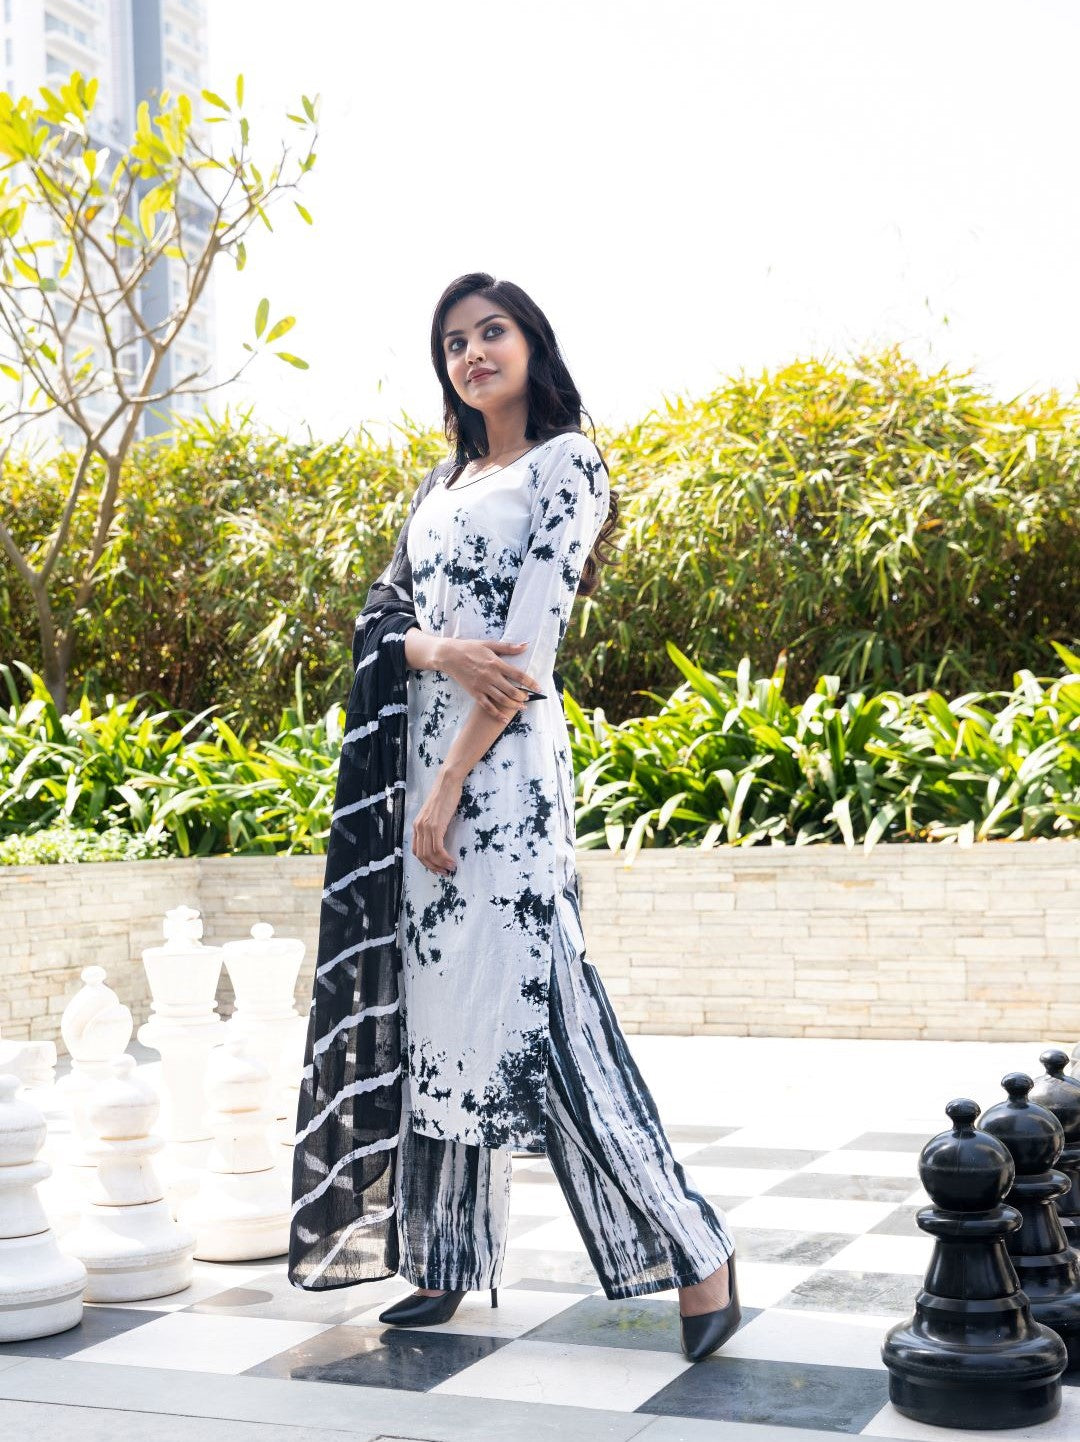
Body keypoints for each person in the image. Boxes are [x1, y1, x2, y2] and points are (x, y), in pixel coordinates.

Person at [289, 273, 739, 1363]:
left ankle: (700, 1253)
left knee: (546, 1012)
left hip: (501, 779)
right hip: (424, 772)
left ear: (532, 343)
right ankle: (443, 1252)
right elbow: (384, 622)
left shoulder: (566, 463)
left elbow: (527, 653)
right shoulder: (444, 481)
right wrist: (434, 651)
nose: (473, 352)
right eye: (454, 341)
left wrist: (447, 786)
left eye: (492, 332)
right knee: (445, 1014)